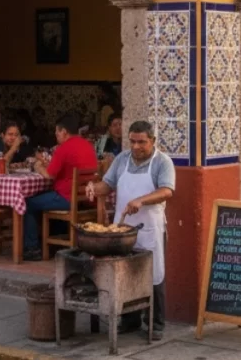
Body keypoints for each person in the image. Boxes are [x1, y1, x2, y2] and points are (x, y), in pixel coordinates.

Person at [87, 121, 175, 340]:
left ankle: (156, 324)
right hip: (123, 229)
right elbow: (107, 185)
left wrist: (141, 201)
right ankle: (130, 319)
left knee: (154, 275)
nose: (136, 147)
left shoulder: (162, 162)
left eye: (142, 142)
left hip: (150, 229)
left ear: (152, 141)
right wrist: (93, 188)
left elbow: (166, 191)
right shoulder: (122, 159)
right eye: (133, 141)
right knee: (125, 273)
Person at [22, 113, 97, 261]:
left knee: (27, 203)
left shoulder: (64, 148)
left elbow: (49, 175)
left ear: (64, 132)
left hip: (67, 197)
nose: (55, 135)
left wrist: (37, 166)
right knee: (45, 199)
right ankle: (54, 243)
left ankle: (32, 248)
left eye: (57, 131)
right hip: (84, 198)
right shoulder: (87, 145)